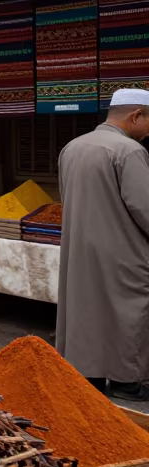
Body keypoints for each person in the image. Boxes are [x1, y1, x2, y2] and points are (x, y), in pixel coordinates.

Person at [56, 88, 149, 401]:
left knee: (86, 312)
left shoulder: (72, 147)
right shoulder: (129, 151)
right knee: (128, 313)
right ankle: (126, 382)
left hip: (79, 249)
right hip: (122, 251)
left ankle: (87, 376)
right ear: (136, 116)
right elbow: (145, 208)